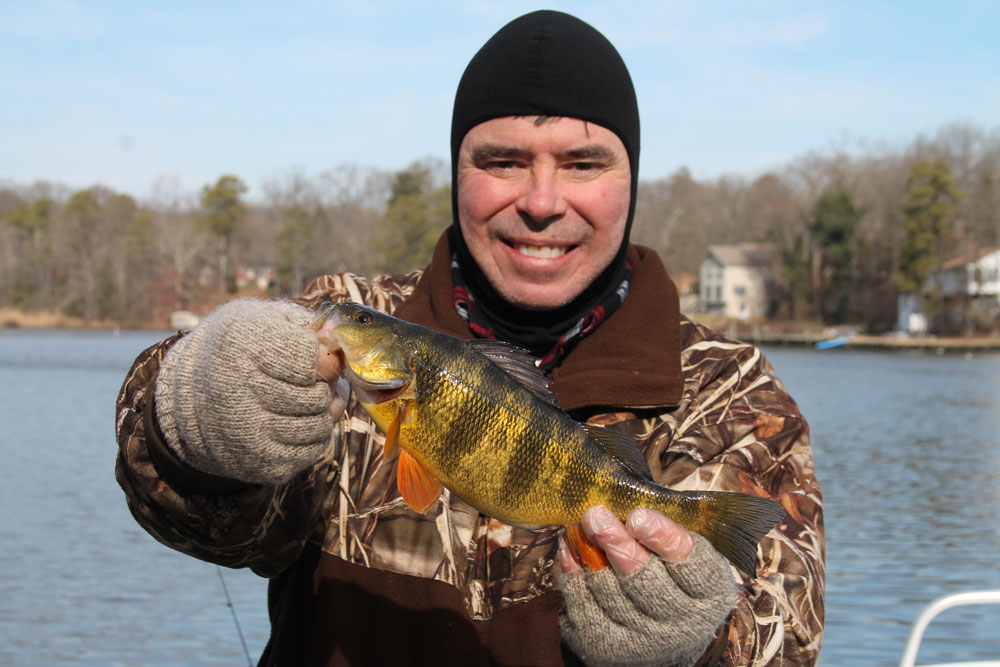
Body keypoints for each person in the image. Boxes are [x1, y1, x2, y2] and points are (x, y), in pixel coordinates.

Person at [116, 10, 824, 666]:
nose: (542, 203)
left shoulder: (726, 390)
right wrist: (193, 418)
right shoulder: (348, 320)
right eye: (503, 161)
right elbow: (221, 529)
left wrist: (690, 646)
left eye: (582, 163)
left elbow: (787, 633)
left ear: (631, 180)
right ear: (457, 171)